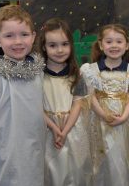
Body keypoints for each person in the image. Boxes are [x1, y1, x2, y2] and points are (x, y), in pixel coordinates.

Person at [0, 5, 45, 185]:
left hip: (34, 151)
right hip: (5, 154)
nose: (18, 41)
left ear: (33, 36)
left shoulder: (37, 73)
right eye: (9, 35)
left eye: (24, 35)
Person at [80, 24, 129, 186]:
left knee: (120, 159)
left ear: (127, 45)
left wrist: (123, 117)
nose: (114, 46)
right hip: (98, 121)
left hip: (123, 123)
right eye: (109, 42)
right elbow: (90, 96)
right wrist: (104, 115)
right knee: (100, 159)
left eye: (119, 41)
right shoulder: (90, 70)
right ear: (101, 45)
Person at [37, 18, 92, 186]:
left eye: (64, 44)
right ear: (44, 47)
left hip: (72, 129)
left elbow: (77, 104)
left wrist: (65, 130)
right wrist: (54, 128)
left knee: (75, 170)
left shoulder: (77, 74)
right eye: (52, 45)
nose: (59, 50)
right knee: (50, 170)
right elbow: (35, 106)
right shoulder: (37, 75)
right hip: (46, 129)